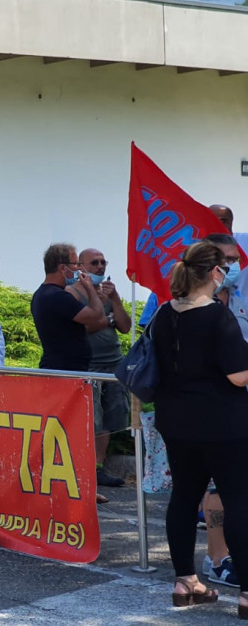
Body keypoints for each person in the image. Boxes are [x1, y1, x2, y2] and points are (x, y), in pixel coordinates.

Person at [149, 240, 248, 617]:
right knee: (239, 502)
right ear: (216, 273)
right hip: (223, 424)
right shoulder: (217, 315)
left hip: (177, 422)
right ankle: (246, 595)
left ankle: (185, 581)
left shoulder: (164, 313)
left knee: (183, 500)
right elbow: (238, 376)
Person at [199, 233, 245, 588]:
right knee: (217, 482)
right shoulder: (190, 301)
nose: (231, 267)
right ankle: (217, 558)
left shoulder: (235, 293)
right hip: (214, 405)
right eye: (224, 261)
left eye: (235, 259)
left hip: (237, 399)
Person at [67, 248, 131, 489]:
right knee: (92, 418)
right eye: (94, 263)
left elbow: (125, 326)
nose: (100, 267)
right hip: (89, 364)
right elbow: (79, 330)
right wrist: (107, 320)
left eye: (103, 262)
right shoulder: (73, 294)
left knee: (112, 416)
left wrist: (114, 300)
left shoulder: (109, 293)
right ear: (81, 267)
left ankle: (98, 467)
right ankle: (83, 467)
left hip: (113, 363)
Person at [31, 243, 107, 371]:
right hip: (64, 370)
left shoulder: (43, 293)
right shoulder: (57, 296)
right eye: (76, 264)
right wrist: (89, 287)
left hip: (65, 367)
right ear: (63, 268)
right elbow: (96, 315)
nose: (79, 269)